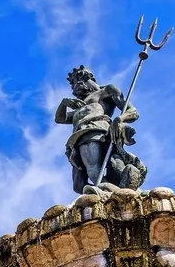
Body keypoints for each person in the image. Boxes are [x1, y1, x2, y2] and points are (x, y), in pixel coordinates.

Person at [54, 66, 145, 194]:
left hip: (93, 131)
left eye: (79, 81)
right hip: (80, 137)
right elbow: (60, 119)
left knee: (95, 172)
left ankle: (110, 194)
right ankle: (125, 191)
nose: (75, 86)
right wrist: (64, 103)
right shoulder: (80, 107)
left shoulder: (105, 92)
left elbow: (133, 112)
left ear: (87, 80)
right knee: (78, 185)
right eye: (73, 84)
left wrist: (120, 118)